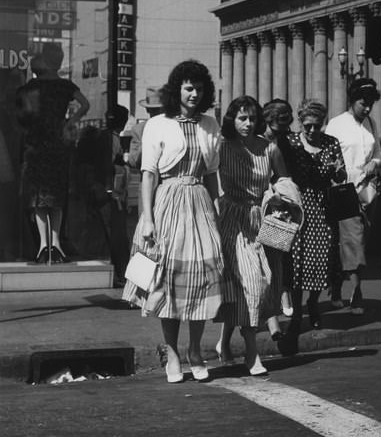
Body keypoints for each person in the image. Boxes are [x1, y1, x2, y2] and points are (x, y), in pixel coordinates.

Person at [122, 59, 224, 384]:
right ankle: (173, 352)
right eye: (188, 87)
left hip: (200, 206)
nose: (194, 93)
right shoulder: (158, 124)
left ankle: (195, 349)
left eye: (199, 88)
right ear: (177, 89)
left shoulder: (210, 124)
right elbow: (149, 175)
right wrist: (147, 218)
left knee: (203, 279)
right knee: (169, 281)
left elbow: (212, 175)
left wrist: (218, 212)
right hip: (167, 204)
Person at [215, 96, 289, 376]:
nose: (247, 123)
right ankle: (252, 354)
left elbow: (284, 180)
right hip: (233, 219)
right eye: (241, 118)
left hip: (263, 220)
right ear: (232, 120)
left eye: (252, 118)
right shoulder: (222, 147)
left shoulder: (269, 149)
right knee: (249, 283)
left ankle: (223, 342)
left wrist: (279, 197)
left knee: (260, 284)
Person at [280, 99, 346, 355]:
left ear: (324, 123)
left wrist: (337, 170)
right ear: (300, 123)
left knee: (319, 258)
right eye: (307, 126)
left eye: (317, 126)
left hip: (322, 205)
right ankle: (297, 314)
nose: (312, 131)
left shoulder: (331, 143)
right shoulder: (292, 142)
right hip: (297, 203)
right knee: (296, 259)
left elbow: (342, 178)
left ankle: (314, 303)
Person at [15, 45, 89, 264]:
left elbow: (22, 117)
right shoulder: (65, 86)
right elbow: (85, 104)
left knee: (39, 197)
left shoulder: (30, 88)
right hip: (57, 142)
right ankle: (54, 243)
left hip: (36, 143)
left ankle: (43, 245)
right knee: (56, 195)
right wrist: (70, 122)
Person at [325, 78, 381, 315]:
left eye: (370, 103)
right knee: (352, 240)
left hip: (366, 190)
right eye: (363, 103)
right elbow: (327, 157)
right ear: (352, 100)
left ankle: (338, 288)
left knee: (357, 240)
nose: (367, 108)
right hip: (343, 191)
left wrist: (374, 163)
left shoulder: (371, 123)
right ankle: (356, 292)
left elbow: (378, 153)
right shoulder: (336, 124)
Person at [76, 104, 131, 284]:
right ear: (123, 123)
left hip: (96, 190)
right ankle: (118, 273)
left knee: (102, 232)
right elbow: (108, 166)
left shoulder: (99, 136)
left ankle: (110, 271)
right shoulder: (112, 140)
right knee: (115, 235)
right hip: (107, 192)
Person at [261, 98, 297, 318]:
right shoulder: (260, 140)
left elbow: (285, 175)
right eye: (277, 127)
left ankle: (282, 293)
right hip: (258, 201)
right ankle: (273, 298)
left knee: (279, 251)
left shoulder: (282, 142)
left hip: (276, 201)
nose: (282, 131)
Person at [127, 86, 164, 171]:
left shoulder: (174, 127)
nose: (158, 114)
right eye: (154, 110)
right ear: (147, 110)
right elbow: (133, 161)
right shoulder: (139, 130)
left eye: (160, 110)